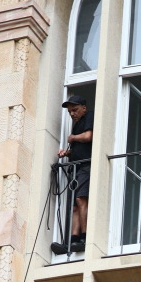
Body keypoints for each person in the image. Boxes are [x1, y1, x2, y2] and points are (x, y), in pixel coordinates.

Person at [51, 94, 93, 255]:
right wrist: (67, 153)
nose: (72, 114)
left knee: (81, 200)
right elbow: (79, 149)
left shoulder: (89, 116)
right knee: (75, 205)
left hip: (85, 167)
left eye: (75, 110)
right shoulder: (77, 124)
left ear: (84, 108)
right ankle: (73, 240)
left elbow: (89, 136)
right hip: (77, 166)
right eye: (70, 112)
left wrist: (73, 138)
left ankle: (85, 236)